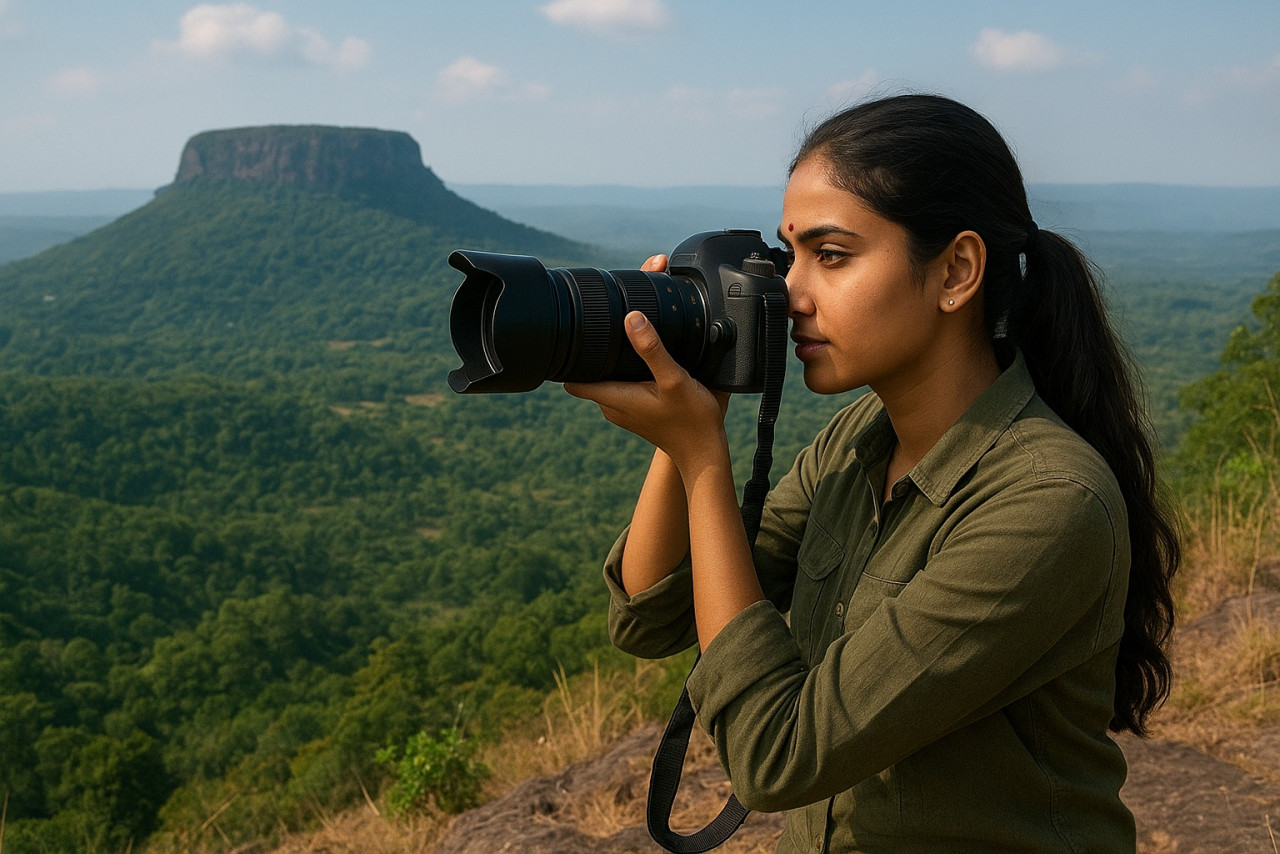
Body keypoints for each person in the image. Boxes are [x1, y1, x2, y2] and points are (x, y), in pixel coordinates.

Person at [565, 93, 1180, 853]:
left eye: (831, 256)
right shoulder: (860, 440)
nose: (790, 293)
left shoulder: (1047, 503)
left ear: (956, 270)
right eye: (789, 254)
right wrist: (683, 410)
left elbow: (776, 757)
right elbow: (652, 617)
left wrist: (702, 460)